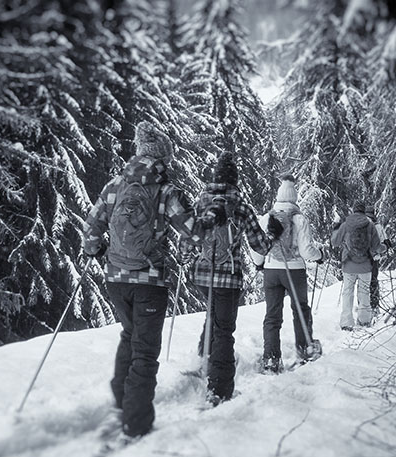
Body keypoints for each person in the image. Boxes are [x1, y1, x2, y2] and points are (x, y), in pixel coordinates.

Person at [84, 121, 216, 439]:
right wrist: (209, 218)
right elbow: (193, 233)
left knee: (129, 335)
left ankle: (122, 402)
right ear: (162, 159)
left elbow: (92, 226)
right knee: (144, 350)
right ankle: (137, 422)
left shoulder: (114, 185)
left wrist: (97, 249)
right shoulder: (167, 191)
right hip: (149, 281)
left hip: (115, 279)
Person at [182, 151, 281, 405]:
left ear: (215, 179)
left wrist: (185, 257)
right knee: (224, 330)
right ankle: (219, 389)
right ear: (235, 181)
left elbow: (188, 238)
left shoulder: (200, 204)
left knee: (211, 316)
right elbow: (260, 245)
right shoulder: (241, 207)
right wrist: (273, 234)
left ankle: (202, 361)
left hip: (203, 275)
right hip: (228, 276)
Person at [251, 175, 324, 373]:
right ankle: (305, 349)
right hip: (294, 271)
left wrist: (259, 264)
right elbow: (307, 250)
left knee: (272, 315)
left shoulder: (267, 218)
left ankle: (271, 359)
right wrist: (319, 256)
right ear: (294, 197)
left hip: (272, 270)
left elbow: (257, 246)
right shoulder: (299, 218)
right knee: (300, 309)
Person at [330, 201, 386, 330]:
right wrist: (385, 247)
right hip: (366, 265)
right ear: (363, 210)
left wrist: (336, 229)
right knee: (364, 292)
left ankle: (346, 322)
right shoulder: (370, 225)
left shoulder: (345, 225)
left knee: (348, 292)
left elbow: (335, 242)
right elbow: (377, 247)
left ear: (353, 210)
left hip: (348, 264)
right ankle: (364, 320)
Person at [365, 205, 391, 314]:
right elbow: (386, 242)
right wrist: (387, 246)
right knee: (373, 281)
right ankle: (374, 306)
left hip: (360, 258)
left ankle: (363, 306)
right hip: (374, 258)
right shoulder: (377, 226)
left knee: (363, 283)